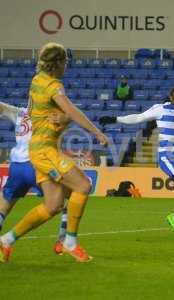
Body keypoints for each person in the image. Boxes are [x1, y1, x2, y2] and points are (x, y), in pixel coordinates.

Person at [0, 42, 108, 263]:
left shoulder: (37, 80)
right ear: (57, 63)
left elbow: (53, 112)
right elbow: (70, 109)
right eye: (65, 62)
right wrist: (96, 132)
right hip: (43, 150)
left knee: (53, 205)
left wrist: (64, 118)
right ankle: (69, 242)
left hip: (36, 151)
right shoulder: (53, 86)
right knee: (83, 185)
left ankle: (6, 240)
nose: (67, 66)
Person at [99, 86, 174, 237]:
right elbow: (138, 117)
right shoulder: (160, 109)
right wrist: (115, 119)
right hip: (168, 155)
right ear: (171, 97)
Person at [0, 101, 70, 253]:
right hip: (37, 165)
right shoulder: (50, 115)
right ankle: (63, 240)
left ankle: (4, 244)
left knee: (3, 207)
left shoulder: (20, 112)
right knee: (68, 195)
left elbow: (2, 107)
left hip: (16, 167)